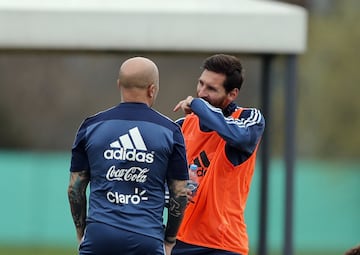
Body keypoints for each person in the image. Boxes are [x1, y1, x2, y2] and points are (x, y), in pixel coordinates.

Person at [67, 56, 189, 255]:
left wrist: (81, 234)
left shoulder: (91, 126)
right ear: (152, 89)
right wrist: (169, 240)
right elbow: (180, 192)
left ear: (119, 85)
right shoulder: (170, 131)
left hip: (99, 236)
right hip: (147, 239)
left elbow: (74, 189)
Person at [171, 54, 265, 255]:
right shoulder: (183, 126)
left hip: (223, 245)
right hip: (179, 242)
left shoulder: (249, 119)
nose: (201, 92)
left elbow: (239, 136)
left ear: (232, 94)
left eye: (211, 89)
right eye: (201, 84)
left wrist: (197, 105)